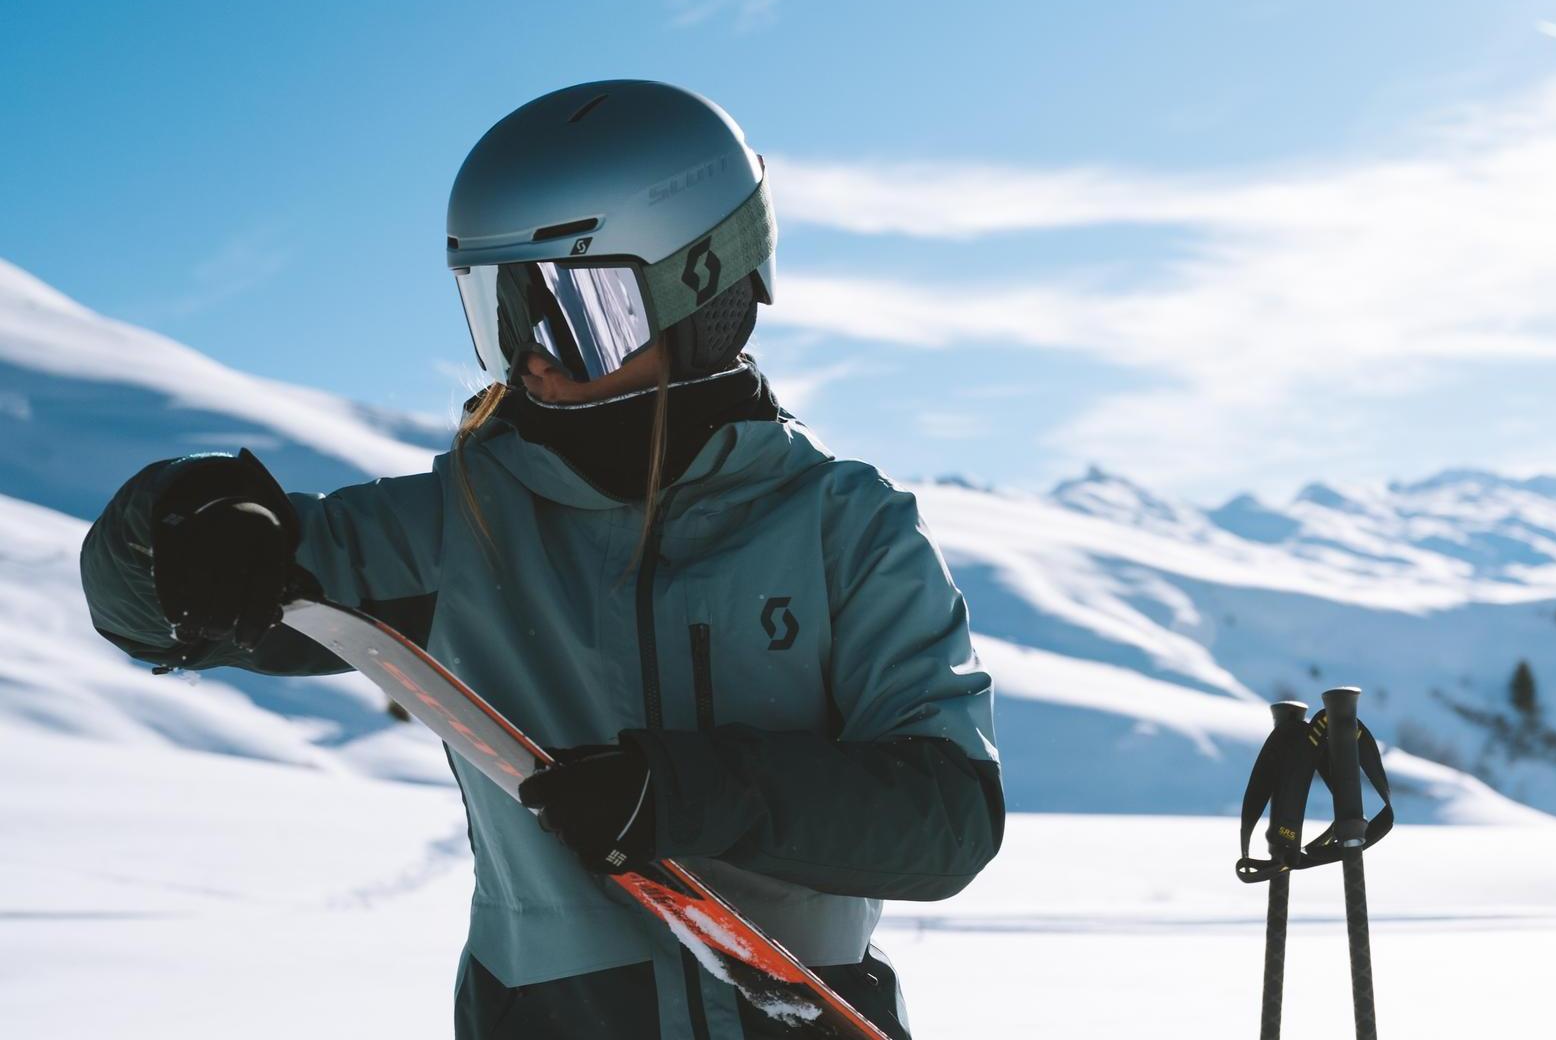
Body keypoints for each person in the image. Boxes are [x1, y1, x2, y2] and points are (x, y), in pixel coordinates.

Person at [79, 80, 1003, 1039]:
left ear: (703, 294)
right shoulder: (455, 528)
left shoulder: (841, 527)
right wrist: (186, 522)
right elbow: (144, 606)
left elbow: (949, 818)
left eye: (571, 307)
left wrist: (683, 794)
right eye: (500, 309)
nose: (530, 355)